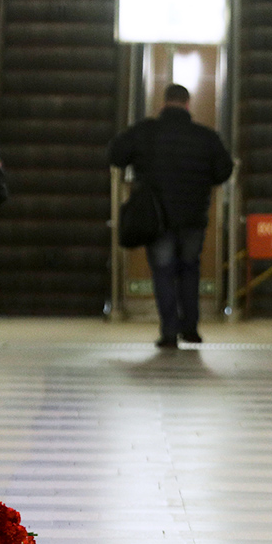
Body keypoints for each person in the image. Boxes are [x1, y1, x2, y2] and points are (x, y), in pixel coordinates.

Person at [108, 84, 233, 347]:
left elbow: (116, 155)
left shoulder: (145, 131)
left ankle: (168, 332)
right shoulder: (205, 136)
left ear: (163, 104)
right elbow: (224, 170)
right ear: (188, 104)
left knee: (163, 271)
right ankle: (190, 328)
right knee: (190, 269)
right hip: (193, 217)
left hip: (157, 217)